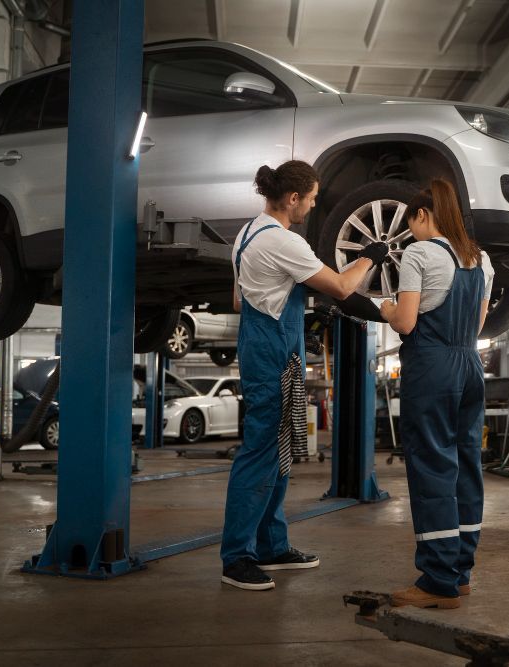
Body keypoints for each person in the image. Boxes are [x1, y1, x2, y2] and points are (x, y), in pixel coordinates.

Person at [221, 160, 389, 591]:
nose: (313, 206)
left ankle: (272, 546)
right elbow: (342, 286)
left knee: (279, 452)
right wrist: (370, 256)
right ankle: (236, 557)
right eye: (312, 198)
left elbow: (243, 303)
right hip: (273, 355)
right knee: (260, 453)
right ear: (293, 198)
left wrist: (301, 313)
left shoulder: (246, 234)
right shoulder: (283, 241)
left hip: (268, 346)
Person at [379, 179, 494, 609]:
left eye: (411, 224)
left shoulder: (420, 253)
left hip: (433, 366)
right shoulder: (481, 259)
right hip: (469, 363)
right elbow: (478, 325)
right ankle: (460, 571)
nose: (411, 234)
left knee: (432, 468)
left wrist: (387, 308)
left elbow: (406, 322)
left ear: (423, 215)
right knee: (466, 466)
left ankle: (437, 580)